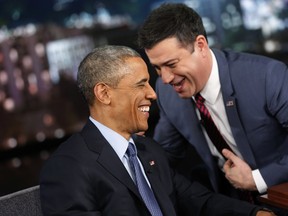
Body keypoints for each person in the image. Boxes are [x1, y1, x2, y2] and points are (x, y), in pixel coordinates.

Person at [39, 45, 275, 216]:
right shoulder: (68, 165)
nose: (152, 94)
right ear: (104, 94)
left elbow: (200, 201)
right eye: (141, 84)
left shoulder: (148, 150)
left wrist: (256, 214)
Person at [137, 2, 288, 205]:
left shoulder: (267, 76)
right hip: (230, 204)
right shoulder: (167, 92)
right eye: (157, 68)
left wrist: (257, 179)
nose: (165, 78)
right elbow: (164, 155)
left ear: (200, 46)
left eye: (171, 64)